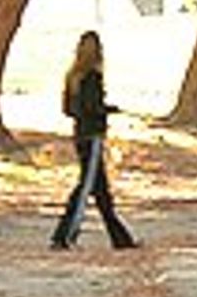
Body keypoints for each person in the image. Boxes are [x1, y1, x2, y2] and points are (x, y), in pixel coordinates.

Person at [50, 29, 138, 250]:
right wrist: (108, 110)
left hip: (80, 134)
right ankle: (64, 235)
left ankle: (120, 237)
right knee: (86, 186)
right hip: (92, 136)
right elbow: (92, 107)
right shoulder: (92, 77)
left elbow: (69, 109)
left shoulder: (73, 77)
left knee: (100, 190)